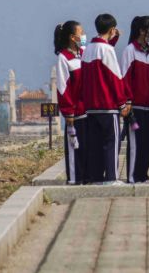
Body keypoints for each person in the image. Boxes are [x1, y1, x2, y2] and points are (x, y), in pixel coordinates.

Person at [81, 13, 131, 184]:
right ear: (111, 29)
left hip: (91, 106)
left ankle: (96, 177)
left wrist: (113, 38)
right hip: (107, 105)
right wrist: (122, 102)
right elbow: (115, 78)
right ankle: (111, 177)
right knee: (111, 142)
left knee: (95, 144)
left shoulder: (87, 49)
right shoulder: (107, 50)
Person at [120, 15, 149, 183]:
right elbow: (124, 78)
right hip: (134, 107)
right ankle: (133, 176)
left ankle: (143, 174)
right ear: (142, 31)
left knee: (148, 144)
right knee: (135, 144)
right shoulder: (129, 51)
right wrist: (127, 102)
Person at [54, 20, 86, 185]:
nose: (84, 35)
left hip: (88, 110)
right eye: (81, 32)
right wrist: (68, 112)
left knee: (87, 147)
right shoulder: (63, 58)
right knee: (75, 147)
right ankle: (74, 178)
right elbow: (62, 87)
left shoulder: (84, 52)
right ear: (73, 37)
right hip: (74, 112)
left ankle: (87, 177)